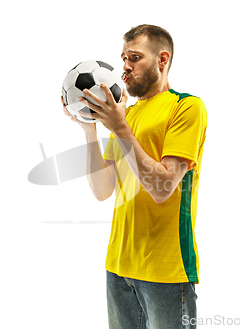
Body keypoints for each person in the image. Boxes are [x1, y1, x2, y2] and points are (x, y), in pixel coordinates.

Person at [61, 24, 207, 329]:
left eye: (135, 57)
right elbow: (102, 190)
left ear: (162, 59)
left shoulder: (186, 107)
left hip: (166, 272)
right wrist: (89, 129)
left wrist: (119, 127)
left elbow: (162, 187)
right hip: (118, 266)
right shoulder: (128, 116)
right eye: (123, 57)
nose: (125, 66)